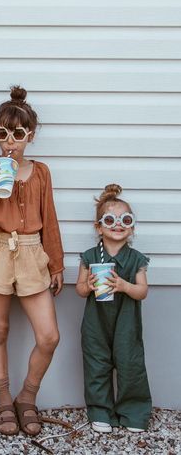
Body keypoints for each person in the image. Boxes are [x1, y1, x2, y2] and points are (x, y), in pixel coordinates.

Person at [0, 86, 64, 436]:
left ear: (30, 136)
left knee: (49, 335)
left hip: (31, 252)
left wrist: (55, 264)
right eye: (2, 133)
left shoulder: (41, 173)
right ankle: (4, 400)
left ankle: (27, 396)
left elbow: (48, 218)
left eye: (18, 134)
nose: (10, 141)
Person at [76, 184, 151, 433]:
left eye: (125, 220)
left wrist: (123, 285)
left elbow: (142, 291)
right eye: (110, 220)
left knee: (131, 364)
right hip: (96, 322)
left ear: (131, 227)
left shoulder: (137, 258)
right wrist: (87, 285)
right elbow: (79, 289)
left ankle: (134, 413)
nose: (118, 225)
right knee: (97, 364)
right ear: (99, 227)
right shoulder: (89, 257)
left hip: (126, 322)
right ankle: (100, 411)